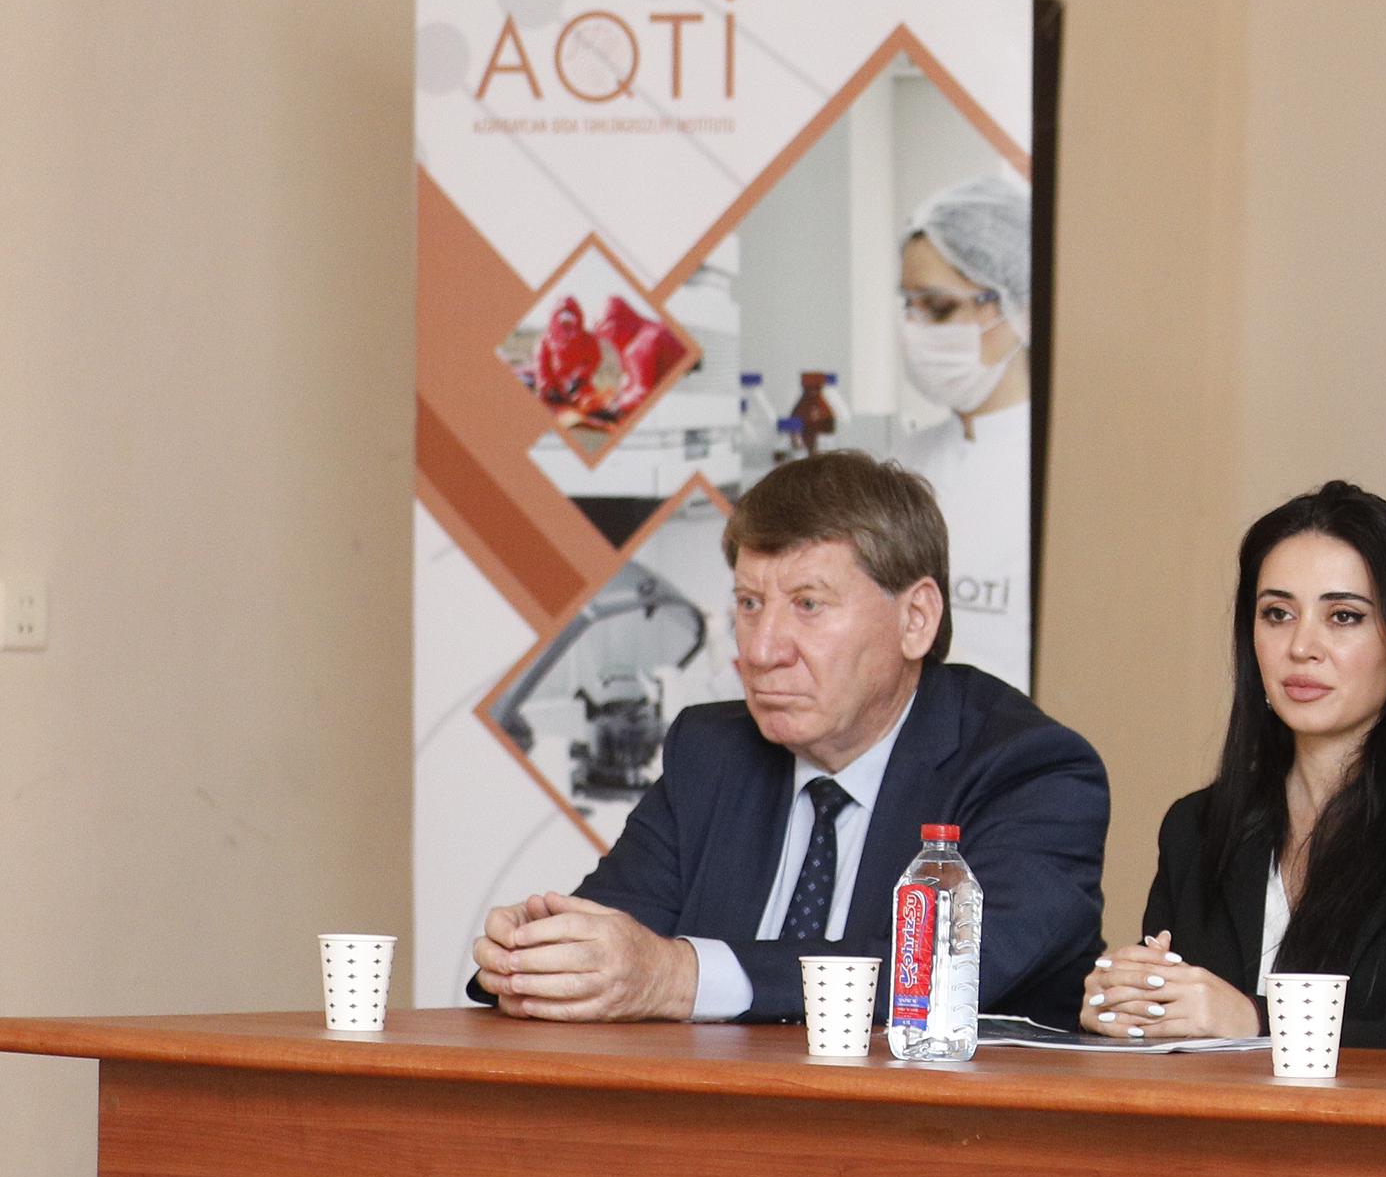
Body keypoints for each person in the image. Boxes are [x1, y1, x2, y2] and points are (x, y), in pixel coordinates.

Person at [472, 451, 1107, 1022]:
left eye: (808, 604)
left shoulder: (1030, 771)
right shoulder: (711, 753)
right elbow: (615, 943)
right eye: (749, 604)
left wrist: (680, 977)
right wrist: (534, 957)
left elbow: (945, 973)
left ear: (915, 619)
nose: (761, 651)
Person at [1086, 482, 1386, 1052]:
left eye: (1344, 616)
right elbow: (1170, 1039)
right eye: (1277, 614)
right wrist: (1128, 1004)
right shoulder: (1196, 826)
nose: (1302, 646)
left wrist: (1256, 1020)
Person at [895, 173, 1035, 692]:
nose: (915, 329)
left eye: (937, 307)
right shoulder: (907, 463)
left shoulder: (1064, 475)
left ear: (1017, 306)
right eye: (909, 305)